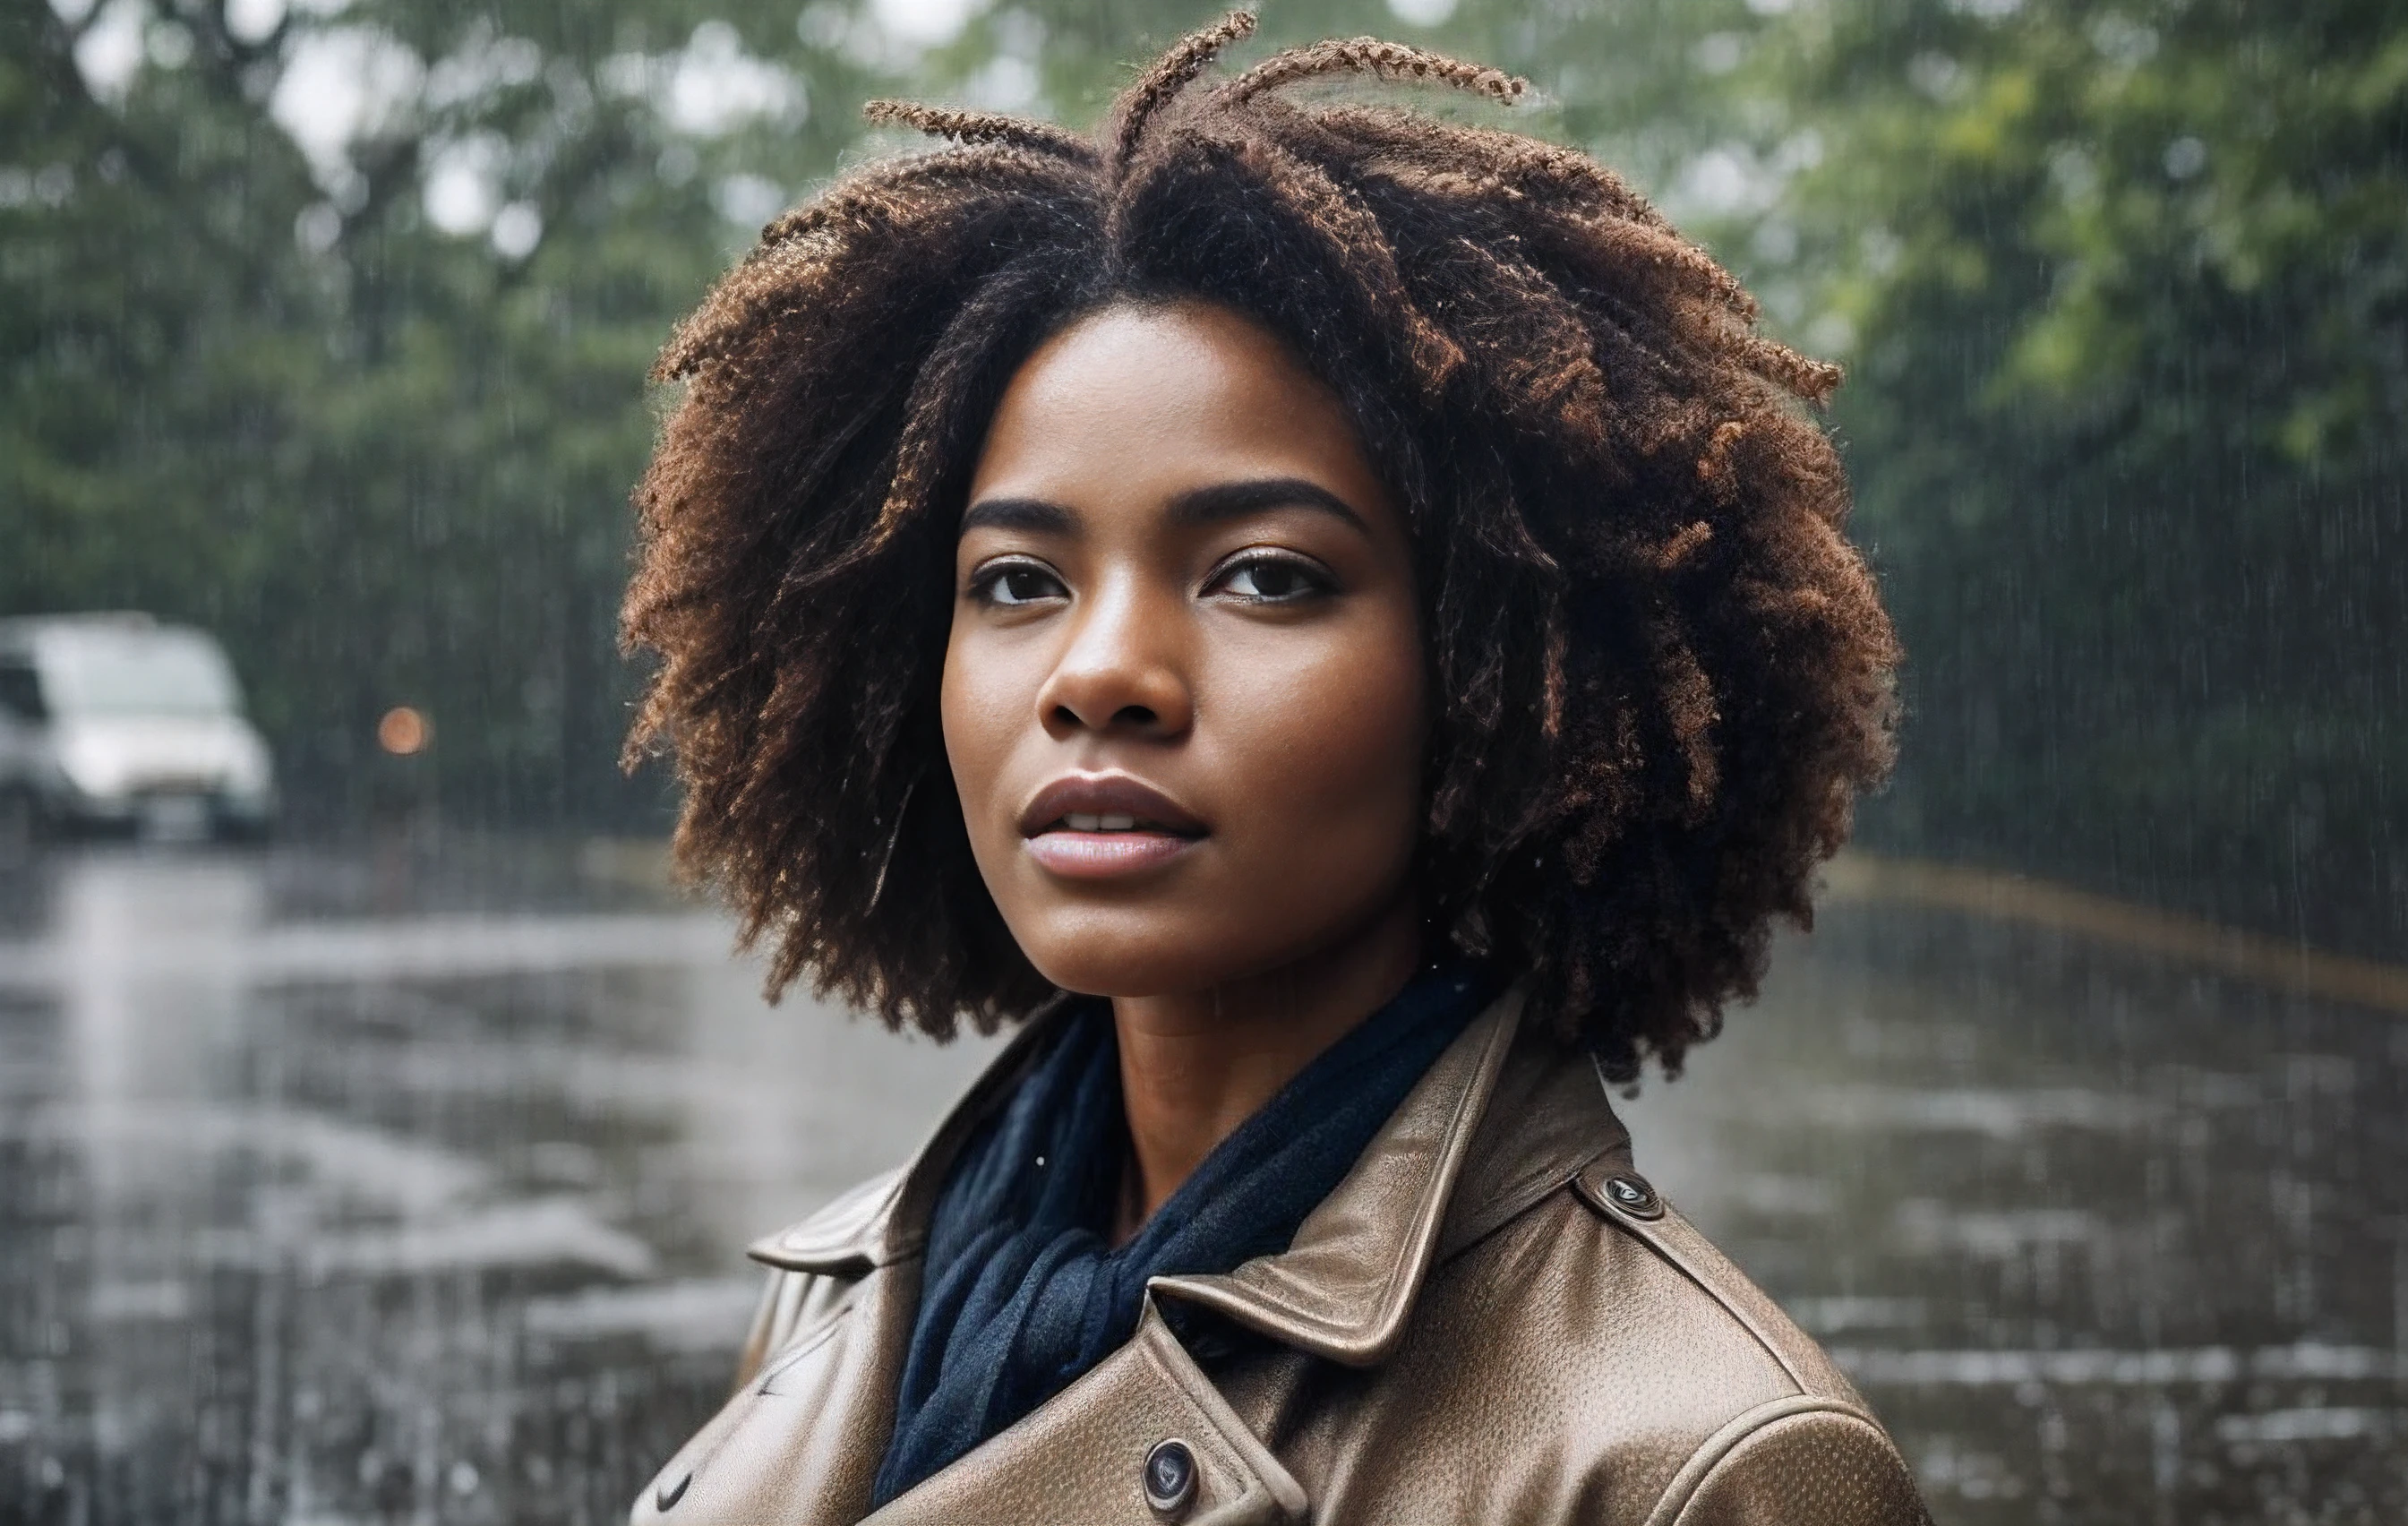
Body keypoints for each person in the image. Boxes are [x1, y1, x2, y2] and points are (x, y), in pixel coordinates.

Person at [616, 13, 1924, 1523]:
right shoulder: (841, 1309)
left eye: (1265, 577)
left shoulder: (1692, 1466)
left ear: (1499, 679)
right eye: (1019, 583)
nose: (1098, 672)